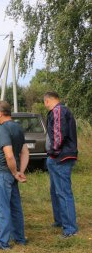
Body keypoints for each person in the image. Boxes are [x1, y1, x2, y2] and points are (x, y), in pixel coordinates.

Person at [0, 101, 29, 250]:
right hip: (12, 174)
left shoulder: (4, 128)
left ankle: (2, 242)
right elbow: (25, 152)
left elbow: (9, 155)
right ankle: (19, 237)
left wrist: (14, 172)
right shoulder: (17, 127)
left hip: (4, 173)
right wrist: (20, 171)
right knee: (15, 206)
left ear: (0, 113)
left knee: (1, 208)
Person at [43, 91, 78, 238]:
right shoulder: (61, 110)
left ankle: (70, 229)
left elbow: (58, 135)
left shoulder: (58, 111)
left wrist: (53, 151)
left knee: (63, 192)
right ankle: (60, 220)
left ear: (47, 101)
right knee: (56, 191)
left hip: (61, 157)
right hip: (59, 157)